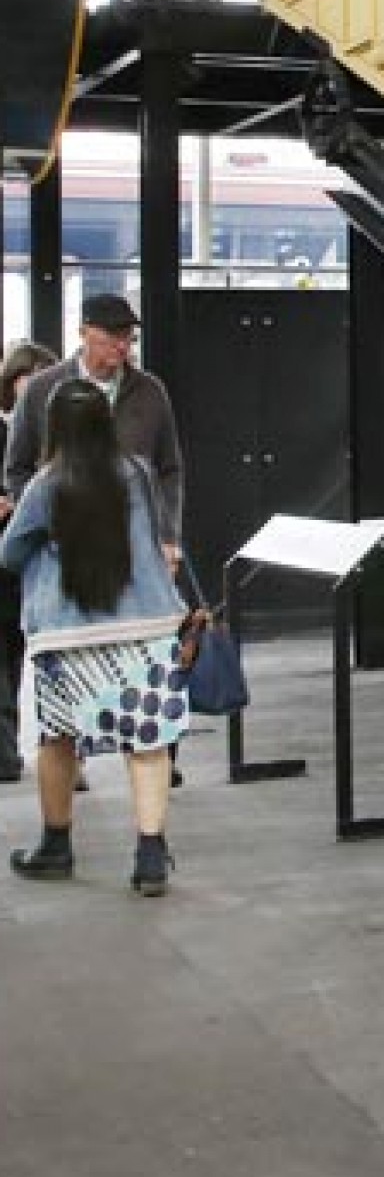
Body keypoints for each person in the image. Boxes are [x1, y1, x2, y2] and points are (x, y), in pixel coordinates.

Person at [3, 378, 191, 895]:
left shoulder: (46, 484)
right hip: (144, 631)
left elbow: (9, 552)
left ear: (55, 429)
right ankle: (151, 857)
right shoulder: (138, 474)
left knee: (57, 740)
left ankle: (56, 846)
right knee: (148, 743)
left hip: (68, 640)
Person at [4, 294, 184, 569]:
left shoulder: (150, 392)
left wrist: (167, 535)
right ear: (83, 332)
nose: (122, 345)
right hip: (61, 550)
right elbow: (17, 468)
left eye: (128, 336)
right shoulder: (42, 389)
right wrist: (42, 522)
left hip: (134, 546)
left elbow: (169, 468)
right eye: (112, 336)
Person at [0, 338, 57, 781]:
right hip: (9, 558)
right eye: (28, 380)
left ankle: (58, 748)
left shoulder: (58, 437)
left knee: (30, 657)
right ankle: (6, 749)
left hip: (38, 561)